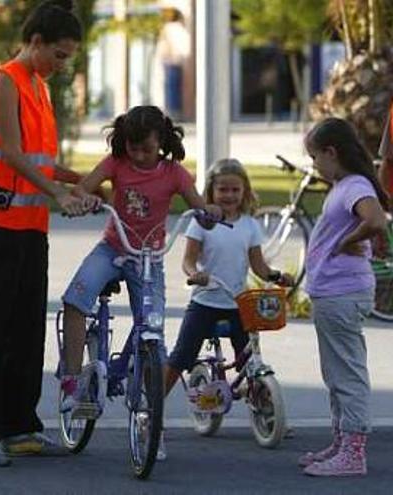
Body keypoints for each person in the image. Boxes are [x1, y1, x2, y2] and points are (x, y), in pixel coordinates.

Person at [0, 0, 94, 467]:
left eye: (68, 57)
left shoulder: (38, 86)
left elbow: (40, 158)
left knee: (27, 323)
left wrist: (86, 182)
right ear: (35, 43)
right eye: (60, 55)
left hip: (28, 224)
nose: (62, 65)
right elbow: (11, 153)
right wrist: (59, 192)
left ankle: (18, 425)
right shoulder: (7, 80)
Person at [58, 105, 223, 454]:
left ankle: (152, 423)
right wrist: (86, 197)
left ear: (161, 142)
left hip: (149, 259)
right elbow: (83, 188)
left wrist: (210, 213)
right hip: (112, 248)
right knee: (75, 300)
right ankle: (72, 383)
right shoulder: (116, 163)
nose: (139, 155)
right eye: (133, 148)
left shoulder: (175, 174)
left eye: (147, 148)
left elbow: (199, 208)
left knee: (154, 335)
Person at [162, 159, 293, 457]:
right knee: (181, 356)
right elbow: (188, 260)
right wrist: (194, 273)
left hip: (237, 302)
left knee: (248, 358)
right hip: (205, 300)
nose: (229, 195)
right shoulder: (202, 221)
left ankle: (267, 408)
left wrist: (275, 276)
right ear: (212, 190)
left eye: (235, 189)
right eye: (223, 189)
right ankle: (153, 407)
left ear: (244, 190)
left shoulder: (249, 224)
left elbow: (258, 265)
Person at [297, 117, 388, 477]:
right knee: (335, 372)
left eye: (315, 157)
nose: (314, 165)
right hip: (333, 294)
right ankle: (341, 441)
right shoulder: (345, 186)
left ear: (332, 152)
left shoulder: (353, 186)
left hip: (343, 293)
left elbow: (376, 220)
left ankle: (353, 452)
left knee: (347, 373)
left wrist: (347, 242)